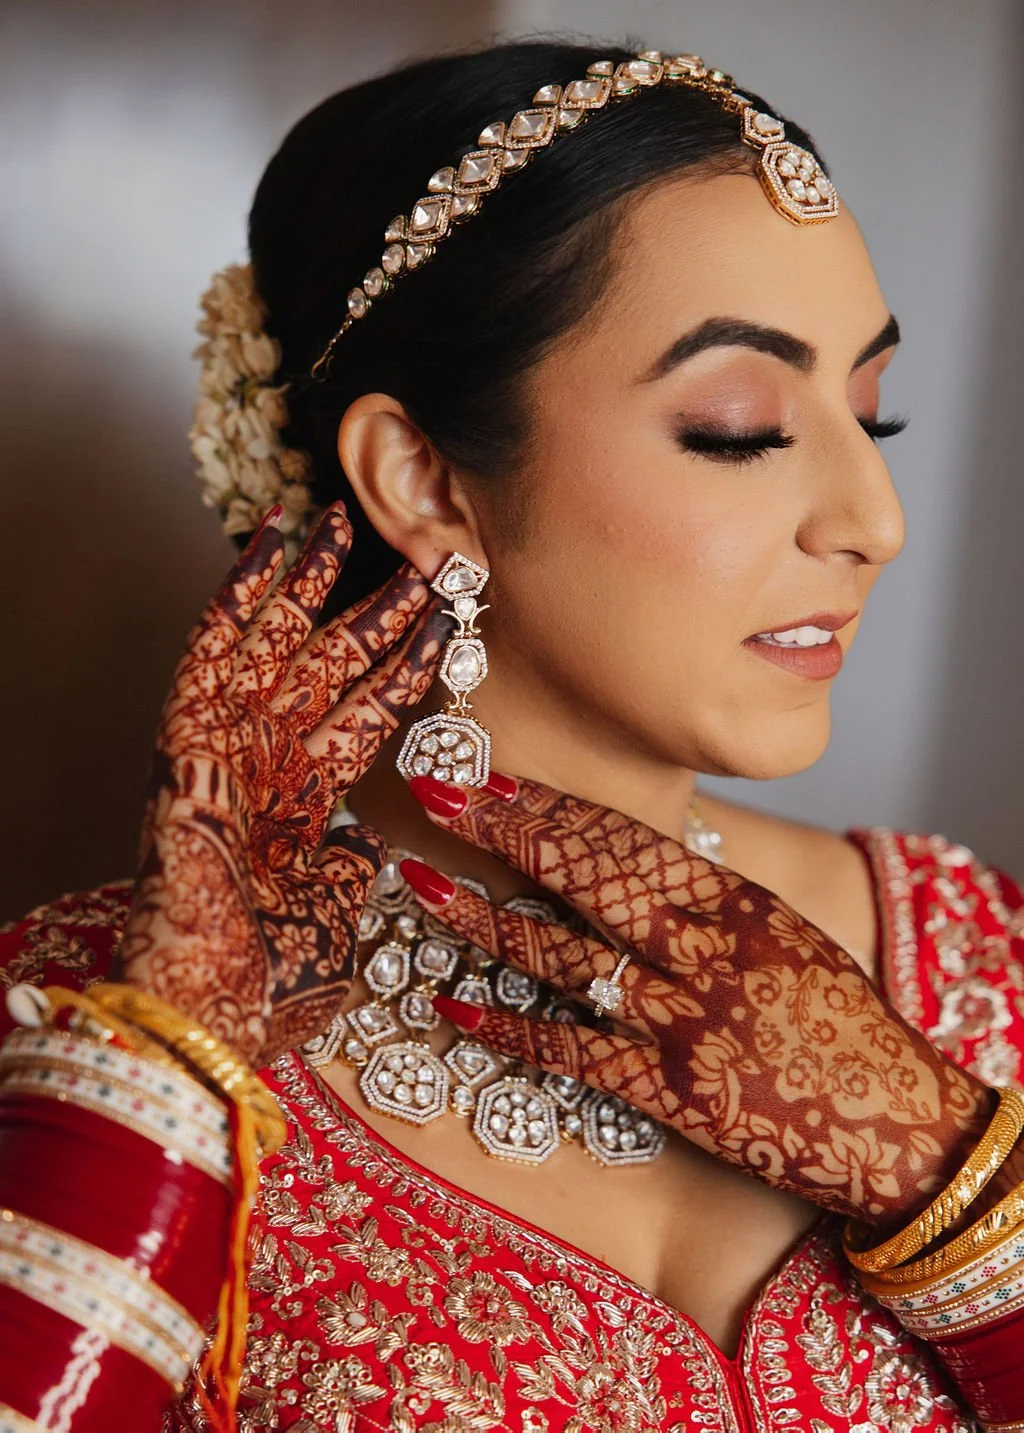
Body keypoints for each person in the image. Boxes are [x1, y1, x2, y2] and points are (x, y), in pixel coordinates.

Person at [1, 38, 1022, 1433]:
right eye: (739, 427)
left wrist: (943, 1176)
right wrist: (173, 1063)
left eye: (872, 413)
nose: (875, 522)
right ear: (420, 475)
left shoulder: (971, 958)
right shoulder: (83, 1019)